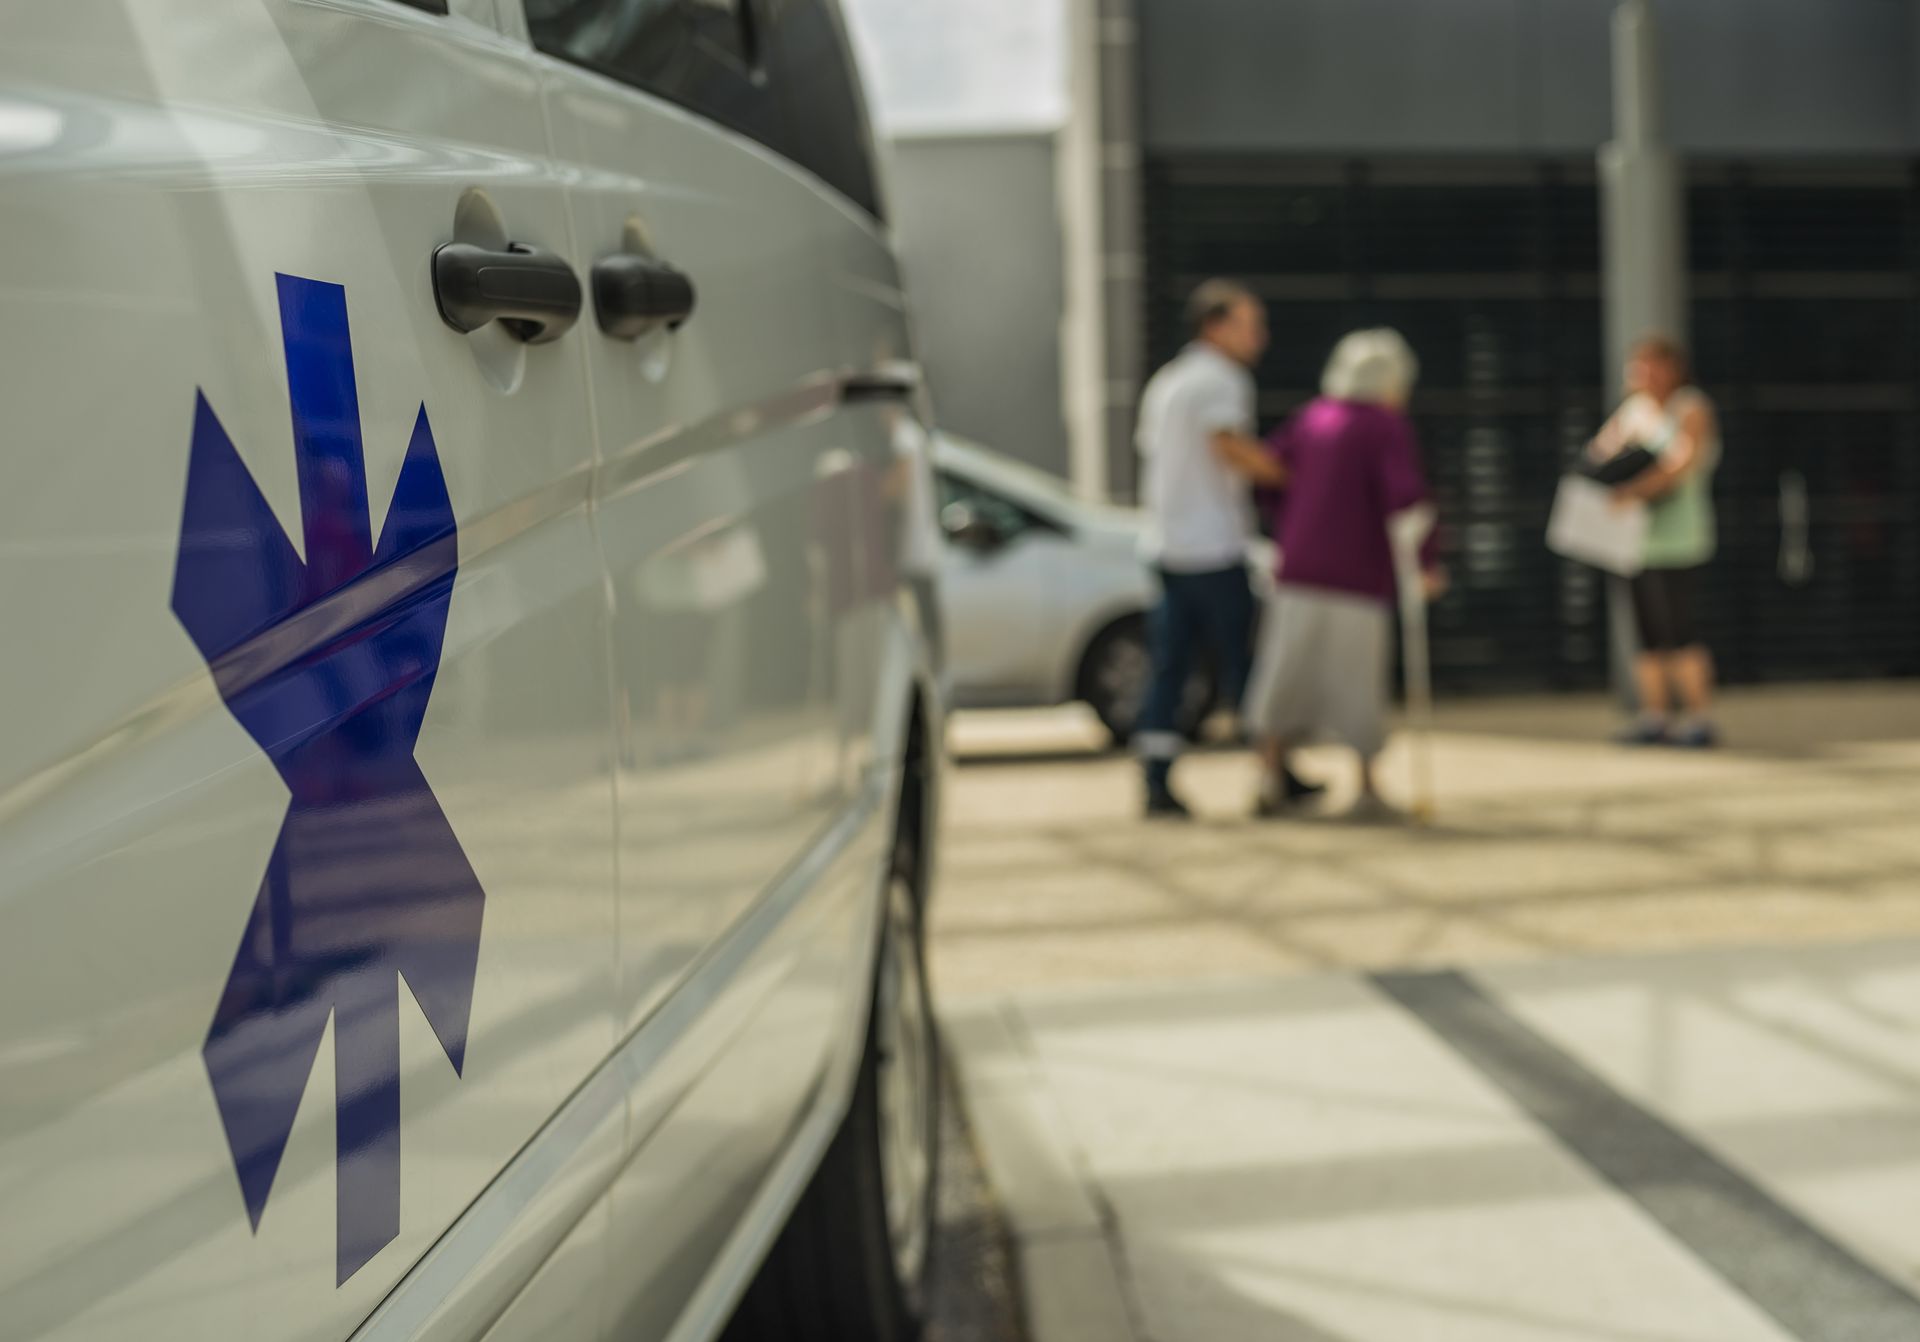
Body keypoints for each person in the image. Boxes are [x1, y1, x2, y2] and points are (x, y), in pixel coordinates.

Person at [1244, 329, 1444, 821]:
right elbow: (1406, 500)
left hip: (1297, 568)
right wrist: (1426, 561)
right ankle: (1367, 786)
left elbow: (1271, 472)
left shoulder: (1312, 418)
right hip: (1356, 574)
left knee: (1286, 674)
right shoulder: (1382, 425)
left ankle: (1268, 774)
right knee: (1356, 680)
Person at [1132, 279, 1299, 818]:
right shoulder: (1220, 380)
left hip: (1168, 546)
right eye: (1251, 325)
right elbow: (1227, 446)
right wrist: (1291, 474)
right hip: (1214, 548)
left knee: (1170, 668)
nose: (1262, 338)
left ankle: (1155, 780)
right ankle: (1274, 775)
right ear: (1215, 326)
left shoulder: (1169, 381)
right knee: (1246, 665)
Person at [1587, 336, 1721, 748]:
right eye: (1637, 367)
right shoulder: (1634, 411)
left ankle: (1699, 718)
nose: (1642, 375)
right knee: (1646, 633)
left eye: (1650, 366)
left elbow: (1680, 466)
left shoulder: (1692, 408)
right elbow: (1596, 457)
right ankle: (1655, 717)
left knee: (1680, 629)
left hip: (1680, 540)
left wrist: (1633, 491)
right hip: (1635, 541)